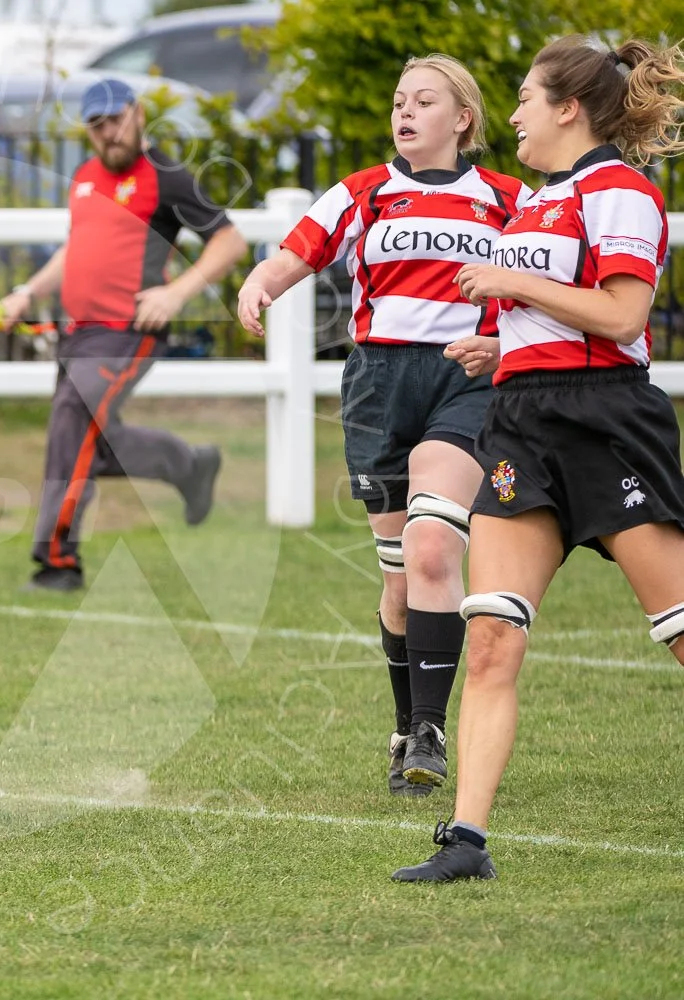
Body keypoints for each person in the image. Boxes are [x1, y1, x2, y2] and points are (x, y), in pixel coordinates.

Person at [393, 36, 684, 881]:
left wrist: (511, 289)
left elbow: (623, 315)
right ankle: (465, 844)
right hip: (521, 423)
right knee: (491, 637)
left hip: (605, 425)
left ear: (568, 108)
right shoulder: (534, 203)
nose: (511, 112)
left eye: (524, 97)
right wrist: (499, 348)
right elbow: (553, 315)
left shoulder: (622, 192)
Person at [237, 55, 530, 797]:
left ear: (462, 119)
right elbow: (295, 254)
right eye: (400, 101)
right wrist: (259, 283)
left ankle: (430, 729)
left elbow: (554, 282)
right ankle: (408, 728)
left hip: (465, 380)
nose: (405, 113)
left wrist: (507, 345)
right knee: (400, 576)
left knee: (436, 547)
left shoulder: (507, 198)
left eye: (424, 101)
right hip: (378, 386)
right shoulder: (364, 192)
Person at [0, 78, 246, 593]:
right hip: (76, 336)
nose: (108, 132)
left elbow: (230, 241)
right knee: (94, 442)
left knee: (72, 422)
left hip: (126, 334)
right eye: (96, 125)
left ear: (137, 114)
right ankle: (188, 465)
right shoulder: (85, 178)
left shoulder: (165, 176)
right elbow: (75, 250)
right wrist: (27, 291)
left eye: (115, 119)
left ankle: (57, 564)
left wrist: (175, 294)